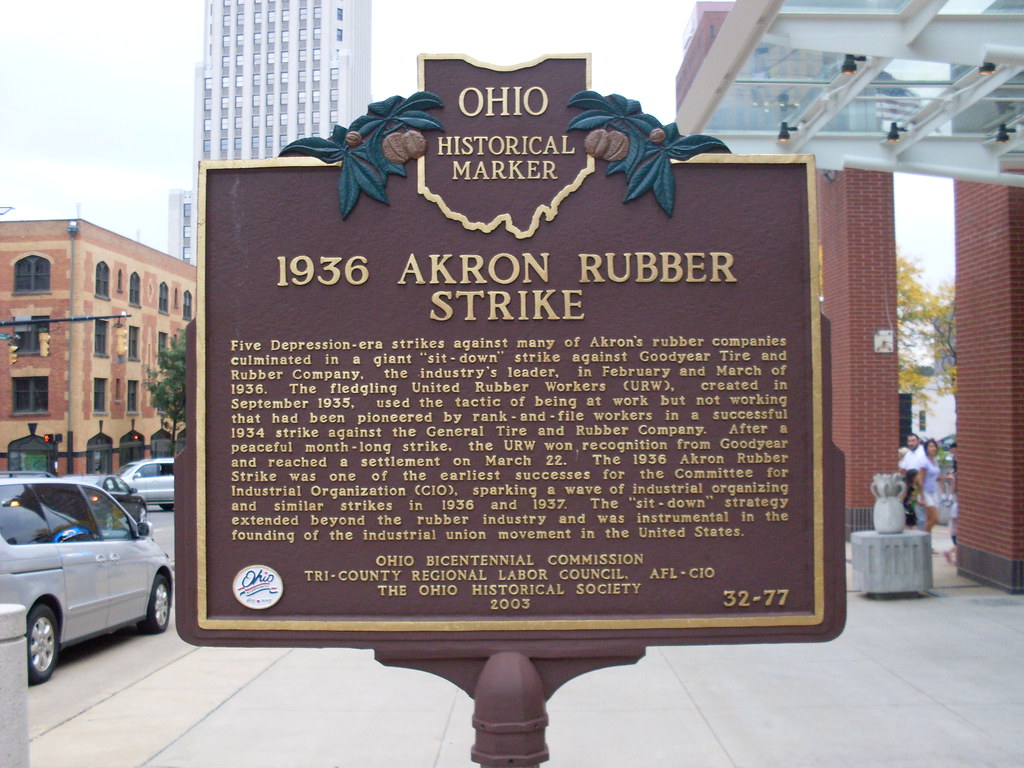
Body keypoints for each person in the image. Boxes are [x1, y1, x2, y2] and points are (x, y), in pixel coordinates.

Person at [916, 438, 942, 533]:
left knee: (929, 518)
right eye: (931, 446)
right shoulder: (924, 461)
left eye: (934, 446)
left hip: (934, 491)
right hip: (926, 492)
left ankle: (927, 538)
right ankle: (924, 536)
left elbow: (934, 476)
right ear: (926, 449)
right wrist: (922, 497)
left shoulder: (934, 460)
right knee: (935, 518)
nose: (933, 448)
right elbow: (921, 479)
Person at [943, 442, 958, 564]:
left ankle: (953, 555)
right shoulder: (955, 458)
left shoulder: (958, 458)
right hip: (955, 529)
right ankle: (952, 555)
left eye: (952, 449)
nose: (951, 451)